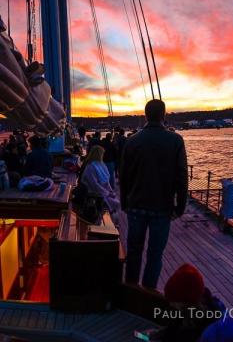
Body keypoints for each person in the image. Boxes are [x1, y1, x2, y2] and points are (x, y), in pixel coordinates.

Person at [119, 99, 188, 289]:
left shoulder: (132, 141)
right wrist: (180, 207)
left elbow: (123, 175)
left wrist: (124, 202)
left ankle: (131, 291)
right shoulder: (175, 141)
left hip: (136, 205)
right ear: (164, 115)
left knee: (134, 251)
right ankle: (148, 294)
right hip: (162, 207)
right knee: (155, 254)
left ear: (145, 115)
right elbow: (182, 177)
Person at [80, 145, 122, 227]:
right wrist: (106, 192)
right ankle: (110, 223)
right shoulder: (90, 167)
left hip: (101, 191)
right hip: (93, 193)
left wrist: (110, 191)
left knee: (116, 201)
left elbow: (106, 182)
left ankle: (112, 222)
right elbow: (94, 184)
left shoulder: (101, 164)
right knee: (113, 203)